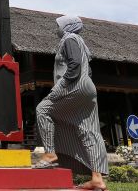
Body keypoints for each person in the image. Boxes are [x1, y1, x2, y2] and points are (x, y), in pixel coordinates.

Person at [34, 16, 108, 191]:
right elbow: (87, 69)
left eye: (58, 26)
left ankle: (50, 154)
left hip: (74, 84)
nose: (56, 29)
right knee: (87, 129)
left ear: (67, 26)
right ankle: (97, 179)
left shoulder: (69, 39)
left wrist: (62, 85)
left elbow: (74, 65)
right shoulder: (81, 42)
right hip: (88, 86)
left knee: (43, 109)